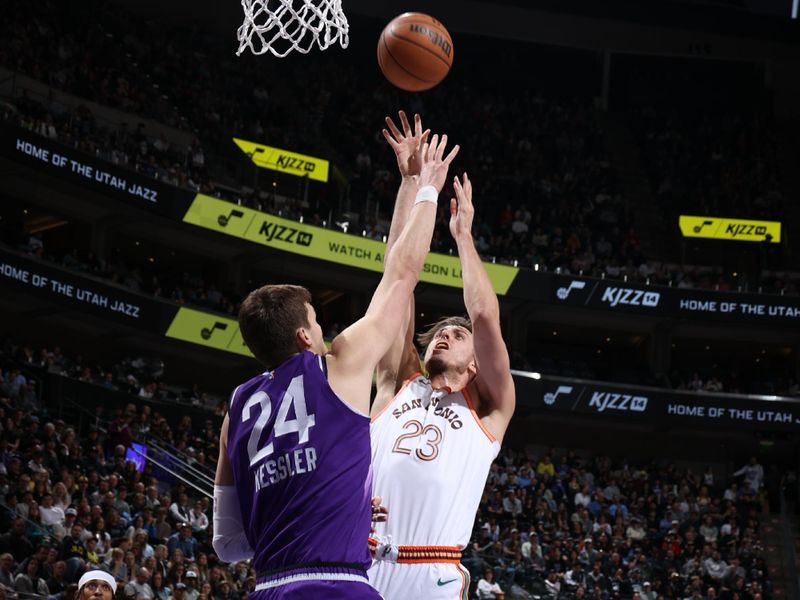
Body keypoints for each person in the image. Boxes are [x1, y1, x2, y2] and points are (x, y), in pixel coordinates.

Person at [212, 127, 459, 598]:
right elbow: (402, 274)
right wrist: (426, 183)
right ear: (306, 336)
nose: (326, 332)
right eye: (318, 323)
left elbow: (228, 545)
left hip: (267, 588)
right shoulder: (336, 364)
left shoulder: (237, 410)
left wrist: (329, 504)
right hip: (337, 584)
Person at [368, 112, 515, 599]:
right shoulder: (396, 382)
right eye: (440, 332)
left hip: (429, 573)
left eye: (458, 333)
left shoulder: (489, 409)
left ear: (476, 365)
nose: (445, 334)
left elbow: (485, 316)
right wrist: (411, 182)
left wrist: (464, 237)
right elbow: (396, 276)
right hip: (357, 559)